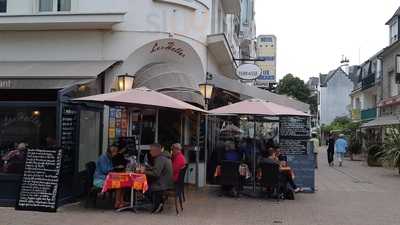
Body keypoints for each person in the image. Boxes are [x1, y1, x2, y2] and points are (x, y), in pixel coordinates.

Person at [144, 143, 173, 214]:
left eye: (151, 150)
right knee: (147, 184)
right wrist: (149, 168)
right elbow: (158, 169)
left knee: (144, 187)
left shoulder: (160, 158)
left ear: (156, 151)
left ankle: (158, 203)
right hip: (167, 181)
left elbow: (156, 174)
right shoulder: (164, 157)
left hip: (162, 184)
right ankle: (159, 202)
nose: (150, 152)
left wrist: (144, 171)